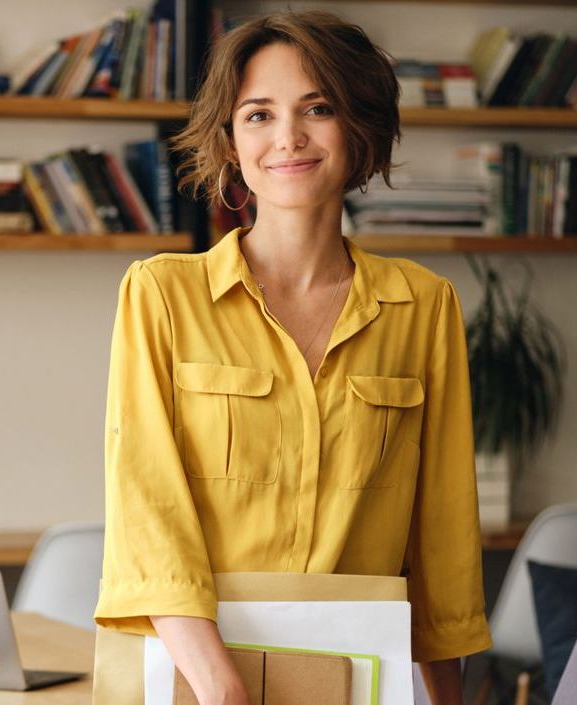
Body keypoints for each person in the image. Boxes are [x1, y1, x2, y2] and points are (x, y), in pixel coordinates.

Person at [94, 10, 491, 705]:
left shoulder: (424, 306)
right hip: (197, 669)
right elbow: (147, 511)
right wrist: (220, 685)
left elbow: (442, 538)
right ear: (229, 140)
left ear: (359, 127)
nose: (288, 138)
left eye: (318, 108)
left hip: (361, 668)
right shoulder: (160, 295)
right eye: (258, 115)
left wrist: (449, 697)